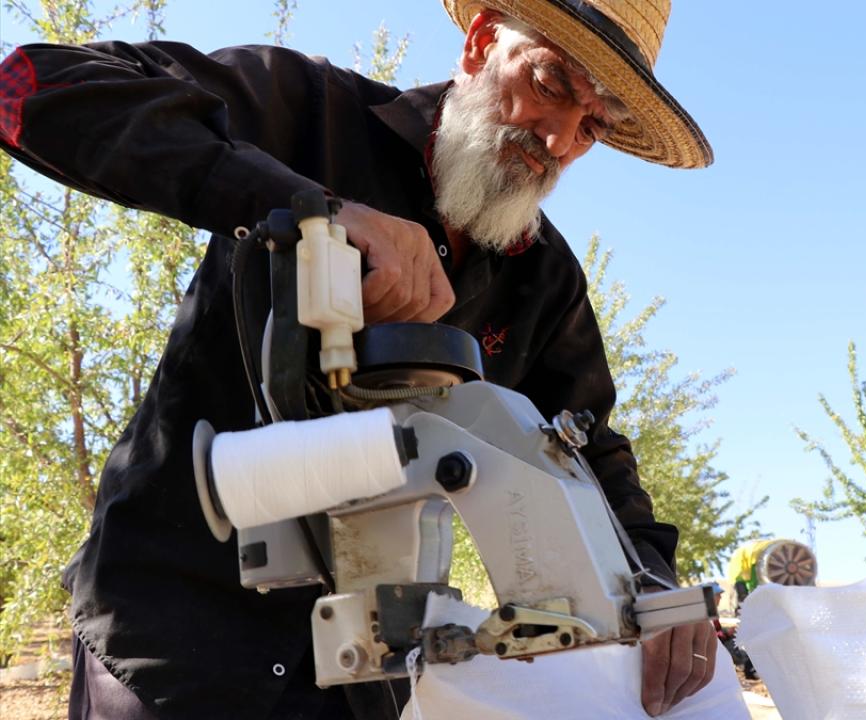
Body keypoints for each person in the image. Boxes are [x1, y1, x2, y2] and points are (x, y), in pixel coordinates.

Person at [0, 1, 716, 717]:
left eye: (592, 125)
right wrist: (315, 211)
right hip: (171, 634)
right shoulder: (311, 113)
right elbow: (30, 86)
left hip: (364, 673)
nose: (558, 139)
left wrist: (655, 589)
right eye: (551, 83)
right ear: (480, 42)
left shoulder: (545, 279)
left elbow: (586, 445)